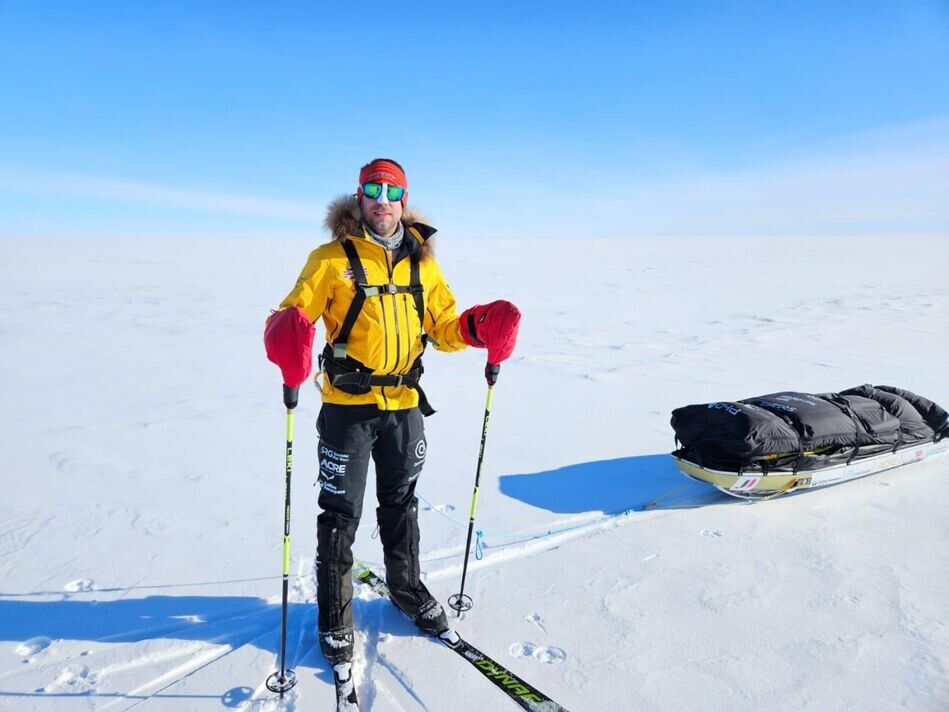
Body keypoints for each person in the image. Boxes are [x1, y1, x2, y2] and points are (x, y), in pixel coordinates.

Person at [264, 158, 521, 670]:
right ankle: (334, 615)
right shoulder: (329, 259)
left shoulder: (422, 262)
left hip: (405, 407)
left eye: (391, 190)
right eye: (372, 189)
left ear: (404, 200)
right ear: (358, 198)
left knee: (401, 501)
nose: (382, 198)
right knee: (340, 513)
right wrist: (287, 334)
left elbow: (443, 324)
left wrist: (476, 327)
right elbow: (291, 314)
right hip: (347, 410)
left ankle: (405, 587)